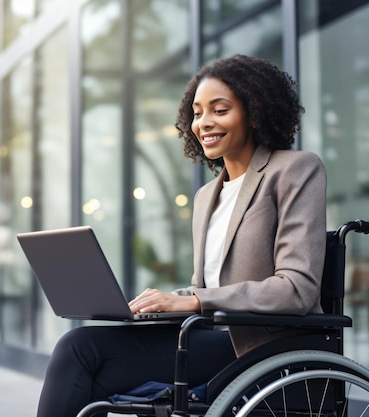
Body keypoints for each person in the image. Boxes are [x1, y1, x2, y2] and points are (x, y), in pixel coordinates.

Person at [36, 54, 327, 417]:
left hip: (258, 346)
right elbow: (205, 287)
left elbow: (296, 288)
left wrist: (195, 301)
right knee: (81, 355)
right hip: (207, 335)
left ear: (254, 112)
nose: (204, 123)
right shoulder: (207, 196)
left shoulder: (295, 169)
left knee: (80, 354)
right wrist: (158, 304)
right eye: (197, 112)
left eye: (219, 110)